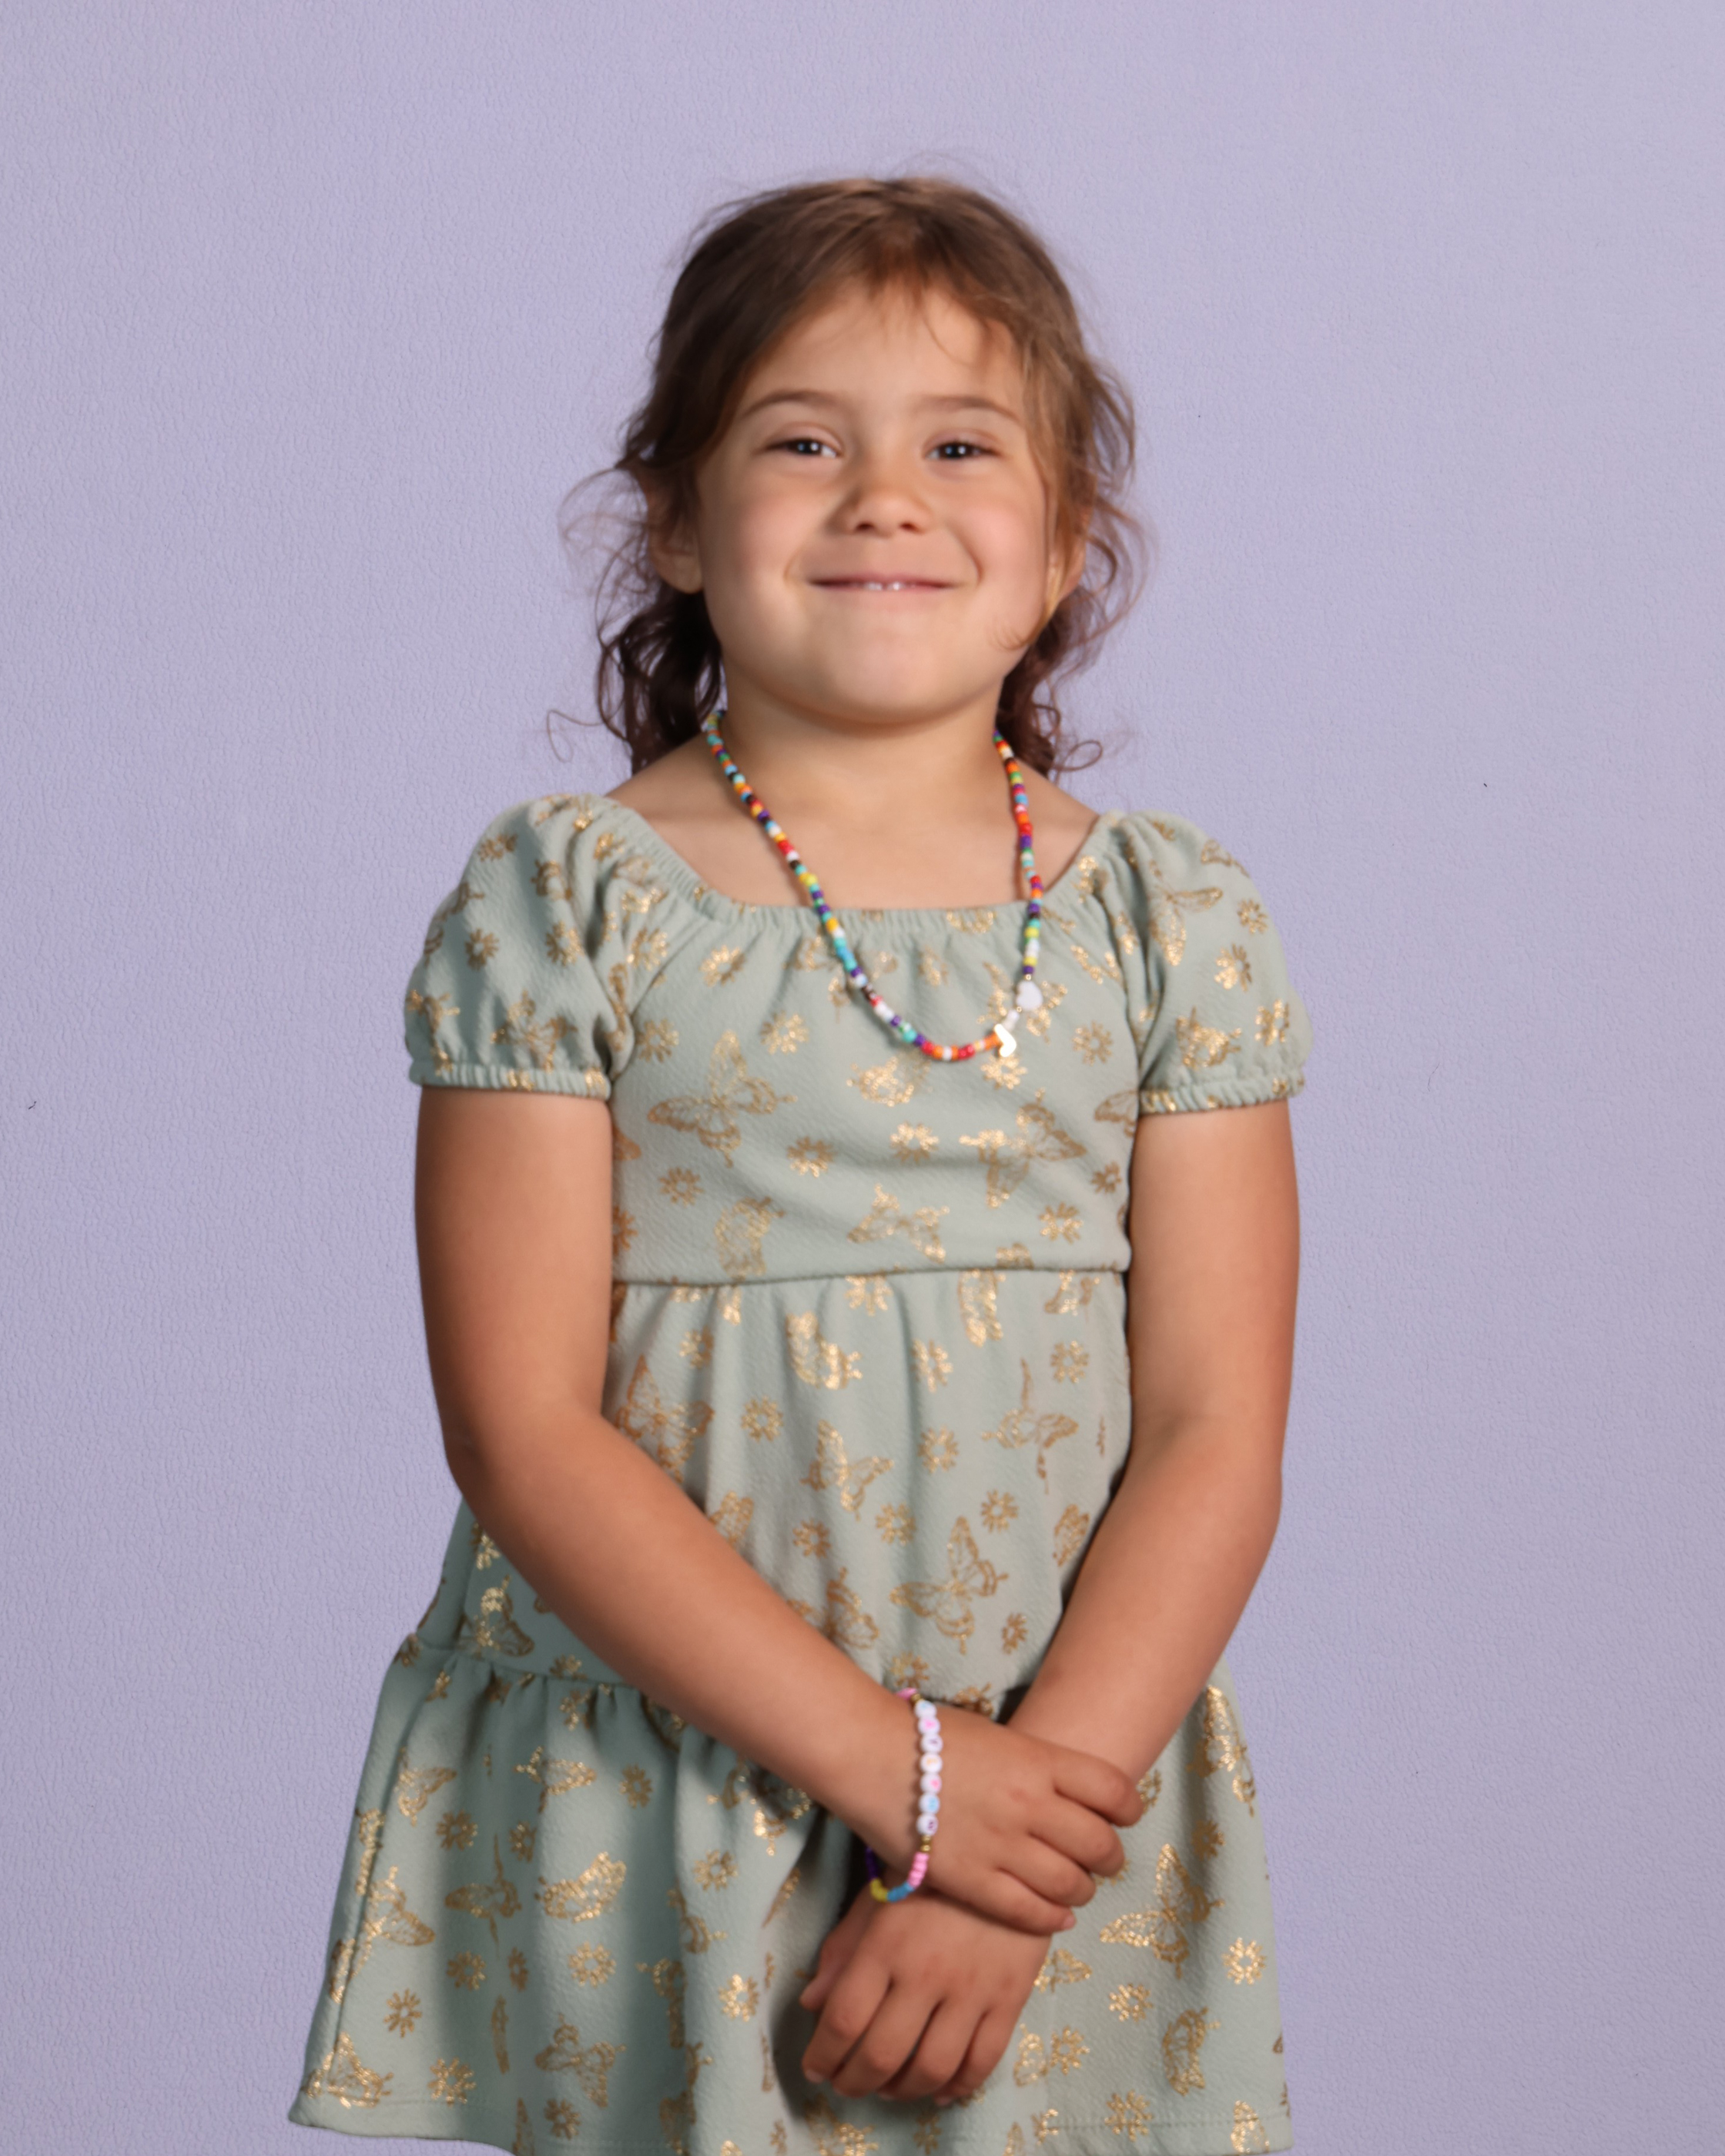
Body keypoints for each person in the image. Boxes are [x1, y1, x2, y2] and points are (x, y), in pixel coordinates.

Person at [290, 175, 1311, 2156]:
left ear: (1066, 543)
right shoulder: (567, 904)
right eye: (800, 442)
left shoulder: (1169, 921)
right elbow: (519, 1426)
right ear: (675, 520)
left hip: (1055, 1789)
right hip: (676, 1778)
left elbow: (1214, 1429)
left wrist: (1000, 1854)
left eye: (960, 446)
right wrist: (900, 1776)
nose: (884, 498)